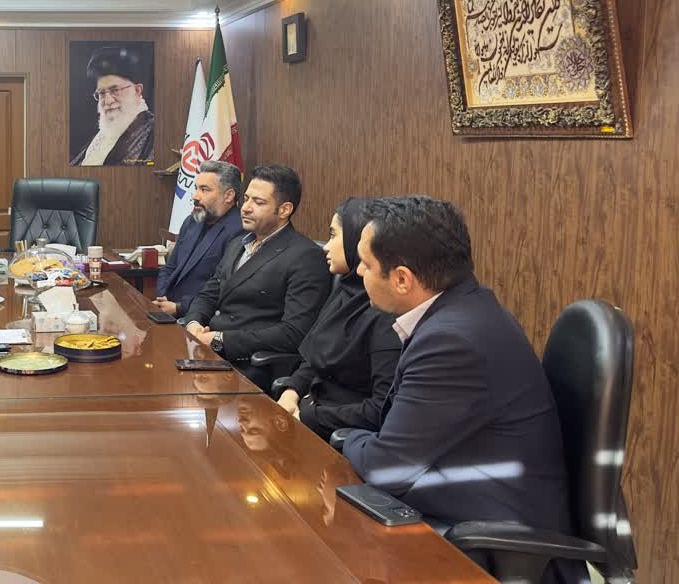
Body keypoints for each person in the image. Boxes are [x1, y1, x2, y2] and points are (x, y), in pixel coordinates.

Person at [343, 196, 578, 581]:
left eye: (366, 264)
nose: (358, 272)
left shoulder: (452, 341)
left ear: (402, 279)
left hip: (487, 542)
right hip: (468, 502)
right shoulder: (466, 308)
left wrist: (348, 438)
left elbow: (388, 467)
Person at [182, 163, 331, 390]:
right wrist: (194, 323)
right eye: (246, 199)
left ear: (284, 210)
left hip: (249, 365)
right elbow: (208, 294)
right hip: (207, 352)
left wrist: (221, 340)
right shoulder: (237, 244)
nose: (246, 208)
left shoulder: (305, 256)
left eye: (258, 202)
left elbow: (293, 333)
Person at [274, 198, 401, 440]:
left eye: (333, 235)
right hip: (309, 409)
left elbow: (380, 409)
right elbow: (315, 357)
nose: (326, 246)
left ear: (357, 241)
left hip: (338, 434)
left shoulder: (385, 311)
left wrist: (309, 417)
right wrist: (292, 391)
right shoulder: (346, 289)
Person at [153, 160, 245, 317]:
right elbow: (170, 267)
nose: (195, 196)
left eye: (204, 190)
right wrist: (163, 297)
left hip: (199, 318)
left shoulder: (239, 230)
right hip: (167, 308)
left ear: (229, 196)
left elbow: (224, 290)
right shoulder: (192, 221)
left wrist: (179, 307)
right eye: (196, 188)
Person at [69, 46, 155, 166]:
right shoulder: (101, 136)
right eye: (102, 93)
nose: (107, 101)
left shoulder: (154, 133)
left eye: (115, 90)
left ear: (137, 90)